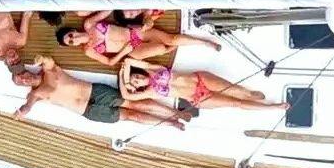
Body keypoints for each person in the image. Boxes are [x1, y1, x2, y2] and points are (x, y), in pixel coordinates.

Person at [10, 57, 188, 129]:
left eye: (22, 76)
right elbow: (27, 107)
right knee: (132, 115)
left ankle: (176, 113)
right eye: (20, 83)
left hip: (95, 91)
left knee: (135, 104)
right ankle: (170, 124)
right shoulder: (35, 94)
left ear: (27, 71)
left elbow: (48, 61)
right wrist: (21, 112)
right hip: (88, 111)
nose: (24, 80)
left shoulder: (49, 72)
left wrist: (41, 58)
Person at [55, 7, 221, 67]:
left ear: (72, 30)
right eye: (70, 42)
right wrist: (122, 52)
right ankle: (184, 44)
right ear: (73, 45)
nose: (73, 39)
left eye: (70, 36)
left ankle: (204, 42)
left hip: (134, 32)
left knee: (170, 39)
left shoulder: (89, 24)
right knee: (163, 48)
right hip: (133, 49)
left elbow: (106, 11)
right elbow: (109, 62)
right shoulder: (88, 50)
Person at [119, 59, 286, 112]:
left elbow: (128, 61)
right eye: (135, 82)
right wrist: (123, 79)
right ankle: (272, 107)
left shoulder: (153, 69)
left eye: (135, 76)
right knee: (236, 103)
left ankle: (248, 93)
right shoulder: (150, 92)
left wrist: (125, 73)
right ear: (137, 87)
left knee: (236, 90)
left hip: (200, 80)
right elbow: (127, 96)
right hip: (198, 97)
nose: (137, 79)